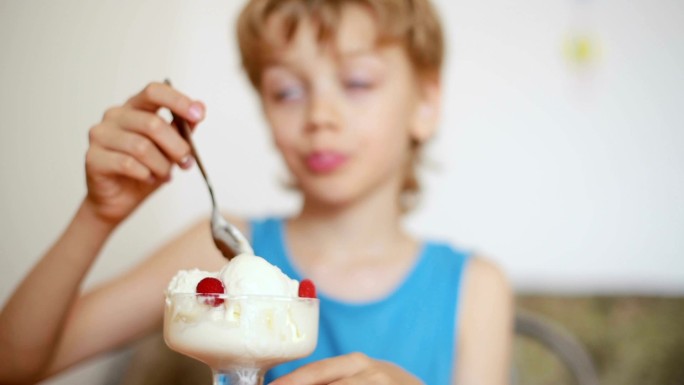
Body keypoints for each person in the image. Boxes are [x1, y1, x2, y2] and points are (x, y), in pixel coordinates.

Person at [0, 0, 512, 384]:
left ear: (426, 103)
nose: (319, 116)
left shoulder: (475, 289)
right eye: (287, 91)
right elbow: (16, 365)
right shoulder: (221, 253)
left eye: (356, 82)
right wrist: (97, 215)